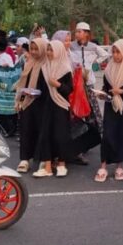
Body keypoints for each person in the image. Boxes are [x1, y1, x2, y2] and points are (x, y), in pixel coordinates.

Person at [95, 40, 123, 182]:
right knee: (107, 135)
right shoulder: (109, 69)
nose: (115, 55)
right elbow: (106, 87)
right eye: (113, 52)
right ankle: (103, 166)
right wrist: (102, 93)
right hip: (110, 106)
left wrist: (121, 91)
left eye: (118, 52)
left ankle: (120, 166)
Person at [33, 40, 74, 178]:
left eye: (52, 50)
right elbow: (41, 89)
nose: (49, 53)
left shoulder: (65, 69)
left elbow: (69, 90)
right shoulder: (44, 68)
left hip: (61, 106)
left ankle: (62, 164)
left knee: (60, 135)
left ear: (59, 51)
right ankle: (48, 167)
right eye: (48, 50)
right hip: (46, 106)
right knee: (45, 135)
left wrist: (57, 84)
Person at [14, 38, 47, 174]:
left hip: (42, 104)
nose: (33, 52)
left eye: (36, 49)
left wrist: (40, 93)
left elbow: (50, 88)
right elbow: (23, 86)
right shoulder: (28, 64)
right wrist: (20, 101)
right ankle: (24, 159)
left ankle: (43, 160)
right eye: (31, 49)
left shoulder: (47, 65)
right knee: (26, 130)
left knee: (41, 131)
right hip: (27, 102)